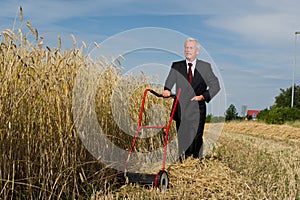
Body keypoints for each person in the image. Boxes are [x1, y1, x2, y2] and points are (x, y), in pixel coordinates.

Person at [162, 38, 220, 160]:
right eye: (186, 48)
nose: (188, 50)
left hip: (197, 108)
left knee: (196, 136)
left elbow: (215, 86)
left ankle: (196, 162)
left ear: (197, 51)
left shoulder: (205, 67)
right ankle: (183, 162)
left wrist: (203, 96)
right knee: (182, 136)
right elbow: (169, 82)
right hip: (180, 107)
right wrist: (167, 89)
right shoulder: (176, 66)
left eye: (191, 48)